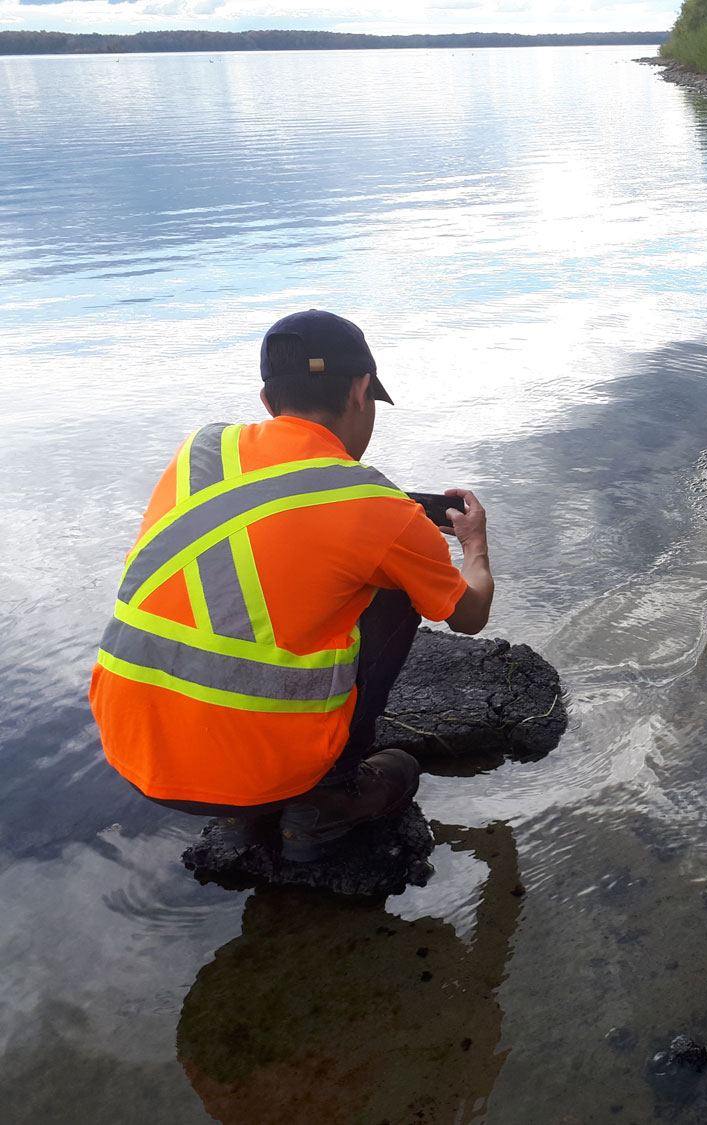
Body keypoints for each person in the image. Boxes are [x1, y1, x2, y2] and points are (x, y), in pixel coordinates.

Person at [89, 309, 494, 860]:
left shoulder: (200, 450)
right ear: (361, 392)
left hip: (132, 749)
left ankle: (241, 815)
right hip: (268, 771)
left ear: (266, 400)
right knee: (398, 589)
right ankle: (328, 797)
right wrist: (474, 544)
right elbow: (470, 616)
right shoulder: (378, 508)